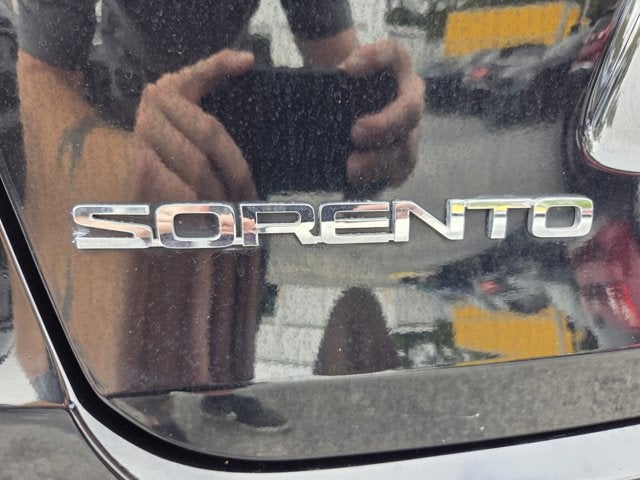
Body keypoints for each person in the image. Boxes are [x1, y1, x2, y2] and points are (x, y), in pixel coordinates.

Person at [15, 0, 424, 395]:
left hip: (230, 154)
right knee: (125, 387)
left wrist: (381, 123)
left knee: (210, 370)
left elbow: (340, 59)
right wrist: (128, 166)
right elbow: (42, 77)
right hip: (134, 156)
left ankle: (220, 401)